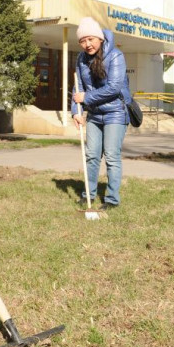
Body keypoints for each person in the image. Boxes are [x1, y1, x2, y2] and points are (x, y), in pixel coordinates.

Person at [71, 17, 132, 210]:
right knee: (91, 156)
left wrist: (86, 98)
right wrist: (75, 112)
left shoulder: (116, 56)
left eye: (90, 39)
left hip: (115, 112)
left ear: (100, 38)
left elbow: (114, 88)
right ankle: (88, 195)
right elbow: (77, 87)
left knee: (112, 156)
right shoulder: (81, 59)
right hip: (95, 115)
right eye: (82, 41)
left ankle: (112, 200)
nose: (87, 44)